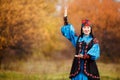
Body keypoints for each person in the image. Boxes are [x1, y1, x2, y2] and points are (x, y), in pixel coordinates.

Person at [61, 9, 100, 80]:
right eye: (84, 27)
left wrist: (85, 56)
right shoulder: (77, 39)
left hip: (89, 68)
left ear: (90, 29)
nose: (86, 29)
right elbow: (69, 32)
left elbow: (95, 53)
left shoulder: (94, 41)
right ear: (82, 29)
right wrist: (65, 18)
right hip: (77, 68)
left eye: (88, 28)